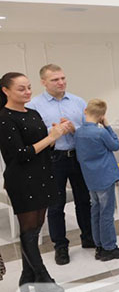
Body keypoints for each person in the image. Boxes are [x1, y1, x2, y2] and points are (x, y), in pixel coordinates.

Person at [0, 72, 69, 292]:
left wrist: (56, 134)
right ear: (6, 91)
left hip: (42, 175)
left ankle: (27, 276)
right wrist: (51, 137)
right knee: (29, 231)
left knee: (35, 227)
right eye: (21, 89)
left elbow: (42, 146)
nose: (28, 92)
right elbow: (20, 154)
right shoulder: (4, 118)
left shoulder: (33, 113)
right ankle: (42, 278)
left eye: (29, 87)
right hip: (22, 180)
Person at [26, 64, 93, 265]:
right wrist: (52, 132)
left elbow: (89, 130)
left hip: (78, 156)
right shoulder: (34, 106)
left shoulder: (78, 101)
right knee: (56, 205)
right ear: (43, 82)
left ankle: (88, 237)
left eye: (63, 78)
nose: (61, 82)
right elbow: (31, 136)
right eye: (55, 79)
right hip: (52, 158)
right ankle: (61, 246)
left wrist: (74, 129)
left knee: (84, 200)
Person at [74, 99, 119, 261]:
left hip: (90, 177)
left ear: (85, 111)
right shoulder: (101, 132)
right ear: (101, 116)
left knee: (96, 211)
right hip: (105, 176)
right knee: (106, 213)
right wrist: (108, 126)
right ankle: (109, 247)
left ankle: (99, 245)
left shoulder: (78, 132)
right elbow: (115, 145)